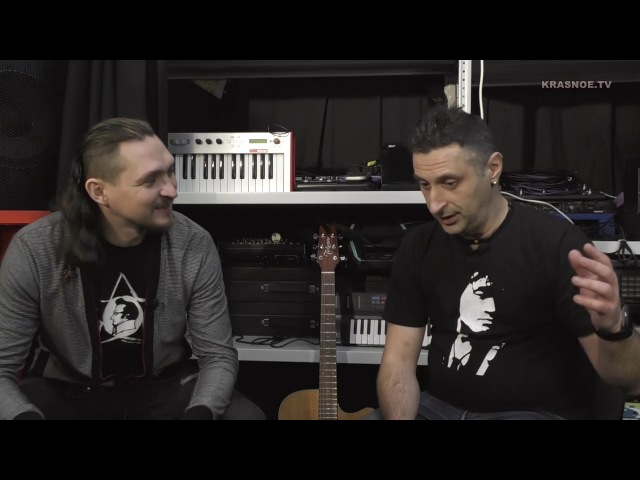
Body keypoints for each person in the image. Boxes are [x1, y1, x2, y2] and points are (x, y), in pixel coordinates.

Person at [373, 106, 640, 420]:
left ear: (493, 169)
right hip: (440, 409)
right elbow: (398, 364)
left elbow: (630, 380)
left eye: (450, 183)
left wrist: (614, 328)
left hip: (530, 414)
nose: (434, 204)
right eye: (424, 184)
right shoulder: (418, 247)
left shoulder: (556, 245)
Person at [0, 117, 266, 420]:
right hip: (68, 392)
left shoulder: (194, 243)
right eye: (150, 180)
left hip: (163, 390)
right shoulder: (35, 248)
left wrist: (201, 413)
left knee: (246, 416)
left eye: (170, 171)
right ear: (99, 191)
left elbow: (218, 356)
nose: (171, 190)